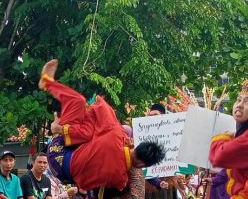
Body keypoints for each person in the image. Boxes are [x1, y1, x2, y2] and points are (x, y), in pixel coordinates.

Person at [41, 59, 165, 191]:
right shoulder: (120, 179)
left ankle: (47, 82)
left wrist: (63, 127)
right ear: (141, 165)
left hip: (58, 151)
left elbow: (100, 104)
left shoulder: (115, 135)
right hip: (65, 176)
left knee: (78, 101)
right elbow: (120, 185)